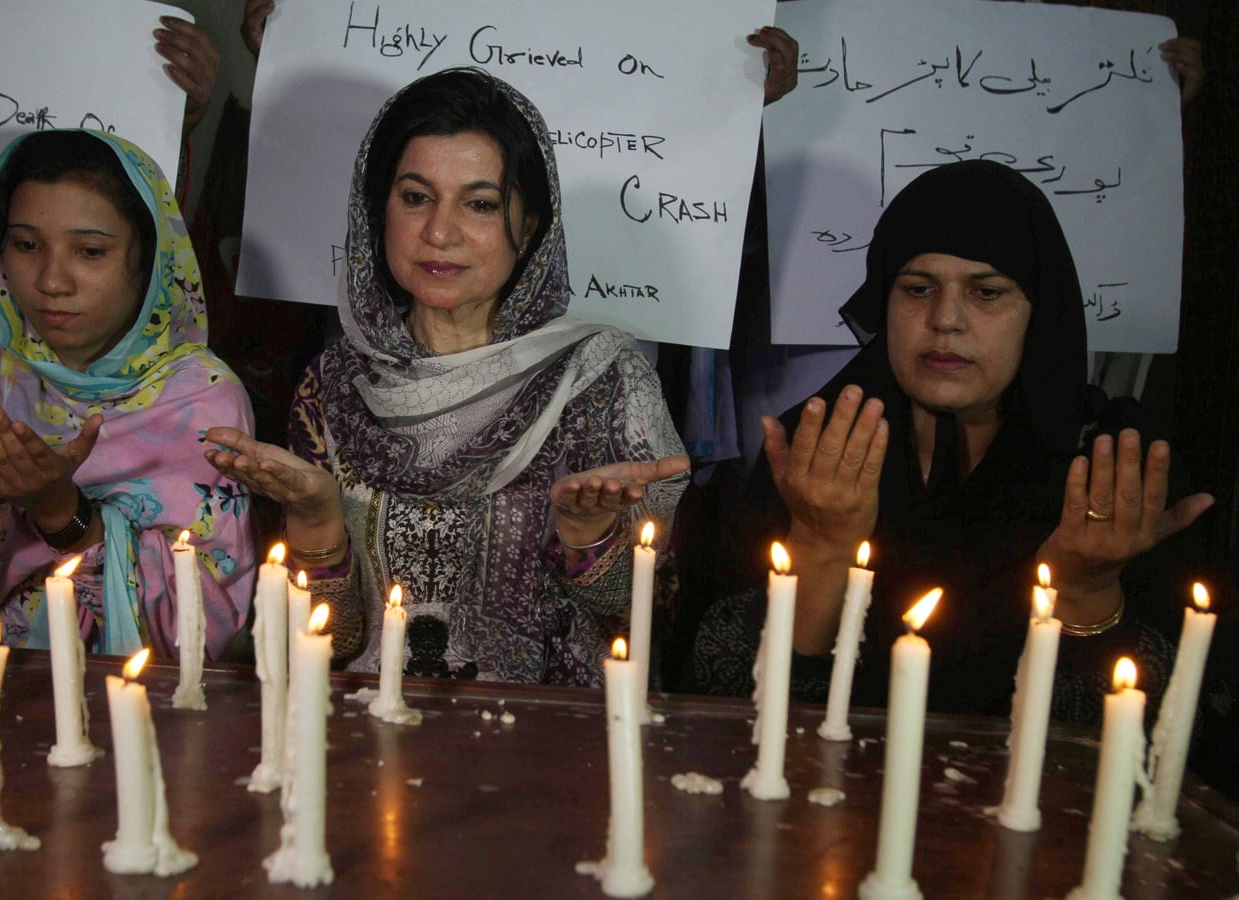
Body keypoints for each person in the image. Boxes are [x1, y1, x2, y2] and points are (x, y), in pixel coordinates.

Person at [203, 69, 690, 685]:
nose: (439, 231)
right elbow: (331, 642)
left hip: (550, 744)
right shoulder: (334, 384)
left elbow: (647, 626)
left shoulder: (600, 377)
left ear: (531, 226)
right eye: (415, 196)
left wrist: (589, 537)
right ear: (376, 210)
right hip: (368, 739)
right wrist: (318, 520)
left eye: (480, 204)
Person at [687, 160, 1215, 720]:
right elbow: (724, 697)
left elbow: (1164, 735)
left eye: (987, 293)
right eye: (917, 289)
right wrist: (820, 550)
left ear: (1038, 314)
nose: (945, 319)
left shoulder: (1111, 467)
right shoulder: (817, 449)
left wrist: (1087, 592)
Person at [0, 129, 257, 660]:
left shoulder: (203, 402)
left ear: (150, 259)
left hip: (138, 716)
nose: (51, 280)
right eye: (26, 245)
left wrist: (62, 513)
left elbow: (199, 640)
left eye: (90, 251)